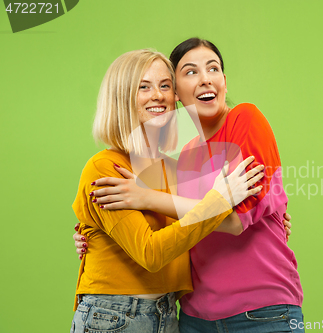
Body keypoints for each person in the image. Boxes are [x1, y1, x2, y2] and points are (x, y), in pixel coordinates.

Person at [75, 38, 304, 332]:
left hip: (258, 310)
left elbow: (233, 221)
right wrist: (92, 232)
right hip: (193, 315)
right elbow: (165, 231)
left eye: (213, 68)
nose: (205, 78)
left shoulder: (244, 119)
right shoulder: (181, 156)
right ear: (180, 93)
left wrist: (144, 198)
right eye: (190, 72)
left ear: (224, 80)